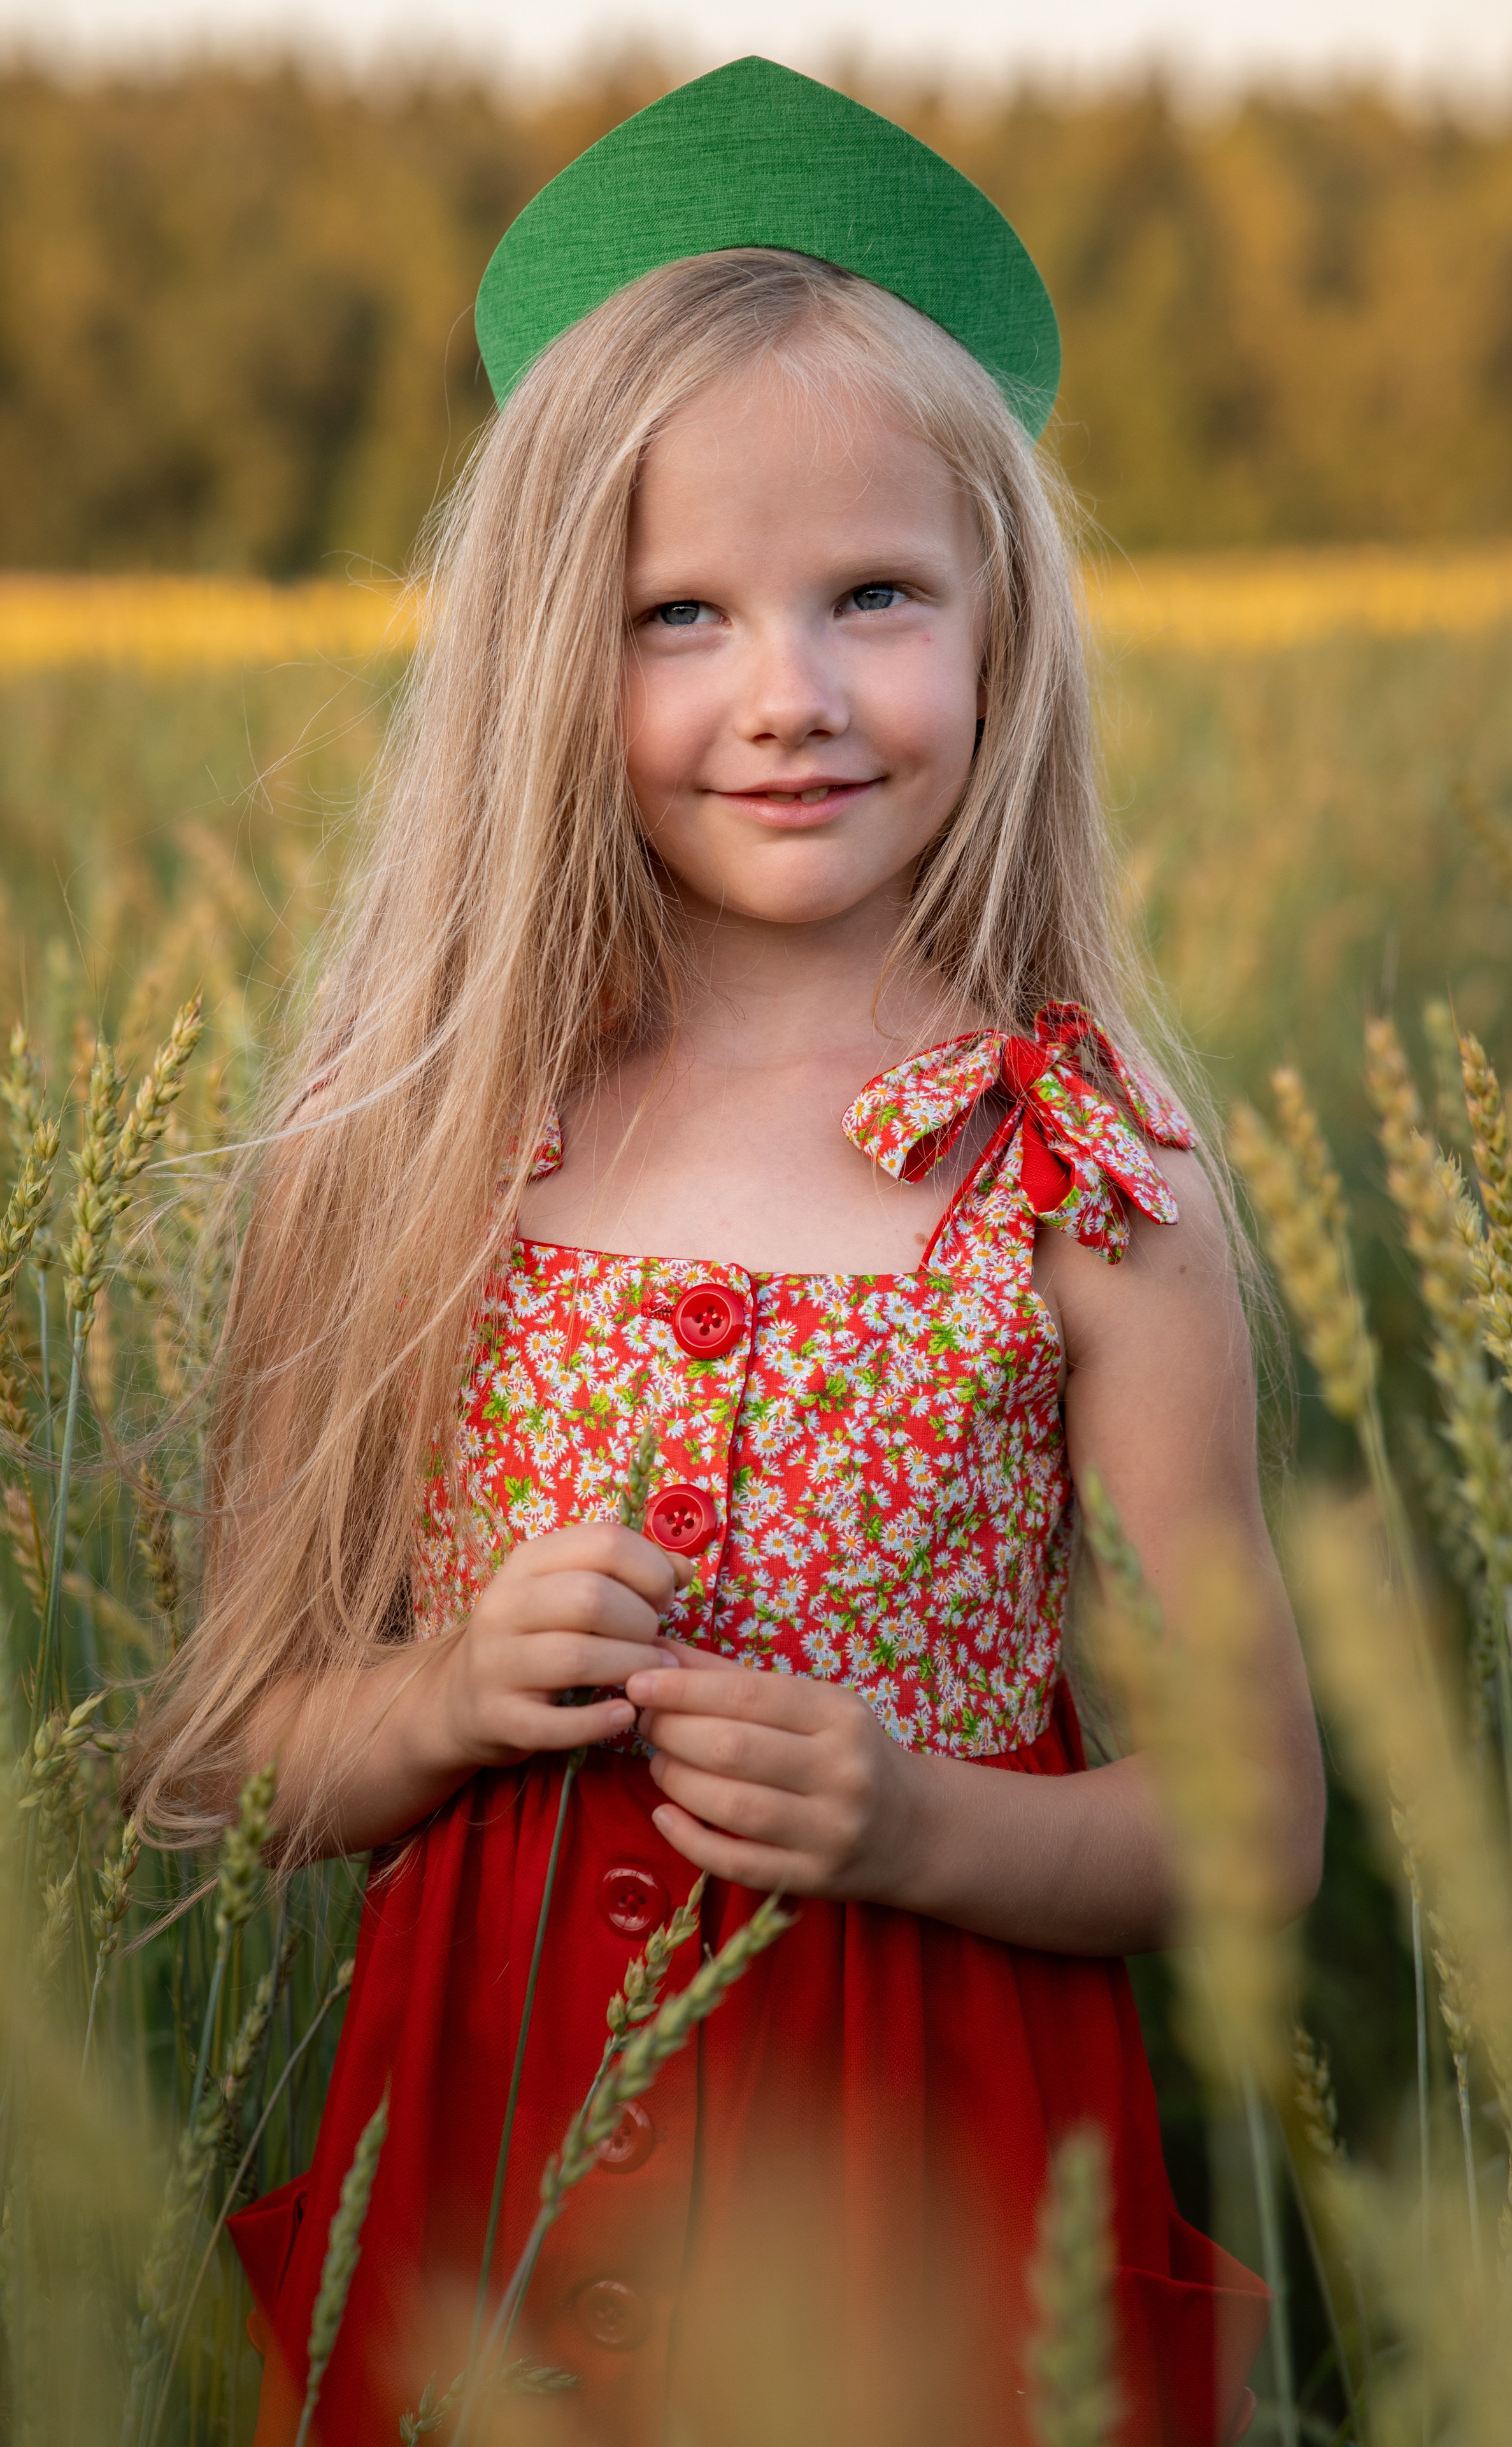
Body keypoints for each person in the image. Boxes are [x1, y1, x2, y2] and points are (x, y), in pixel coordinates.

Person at [124, 57, 1323, 2447]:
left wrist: (918, 1822)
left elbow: (1258, 1823)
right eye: (679, 612)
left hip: (940, 2177)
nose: (788, 692)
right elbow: (231, 1759)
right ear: (547, 658)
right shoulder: (427, 1148)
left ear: (1006, 628)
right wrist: (455, 1691)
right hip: (494, 2177)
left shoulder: (1080, 1174)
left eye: (874, 592)